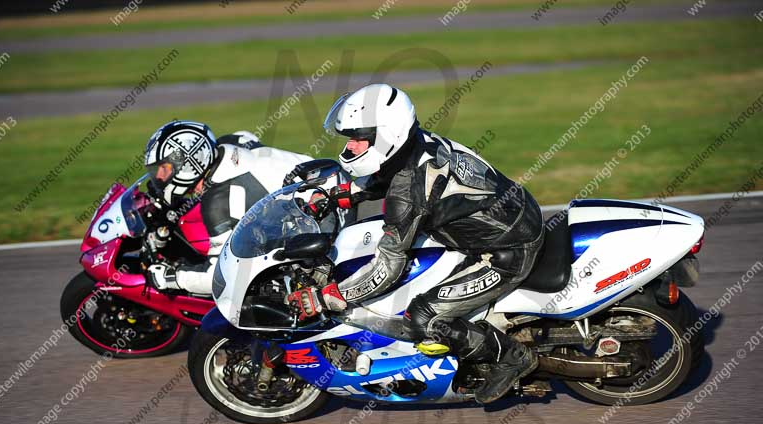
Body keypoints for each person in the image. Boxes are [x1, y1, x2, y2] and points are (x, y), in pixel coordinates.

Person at [287, 84, 545, 404]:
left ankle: (513, 357)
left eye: (358, 138)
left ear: (386, 135)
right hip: (508, 217)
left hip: (505, 251)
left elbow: (389, 266)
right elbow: (385, 174)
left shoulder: (408, 193)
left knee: (425, 318)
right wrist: (338, 195)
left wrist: (333, 295)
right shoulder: (414, 144)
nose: (350, 146)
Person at [144, 120, 312, 296]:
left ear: (188, 165)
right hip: (321, 183)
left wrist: (171, 277)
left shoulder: (217, 203)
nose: (159, 176)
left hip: (321, 220)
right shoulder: (231, 141)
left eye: (165, 168)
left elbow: (220, 278)